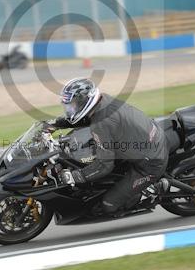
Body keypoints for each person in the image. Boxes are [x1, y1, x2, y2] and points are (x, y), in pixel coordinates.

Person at [46, 77, 168, 215]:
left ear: (85, 101)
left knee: (108, 204)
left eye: (73, 105)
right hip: (147, 139)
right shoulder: (102, 101)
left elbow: (104, 166)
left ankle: (154, 188)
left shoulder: (101, 123)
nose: (70, 109)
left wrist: (75, 176)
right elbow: (84, 118)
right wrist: (55, 123)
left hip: (151, 162)